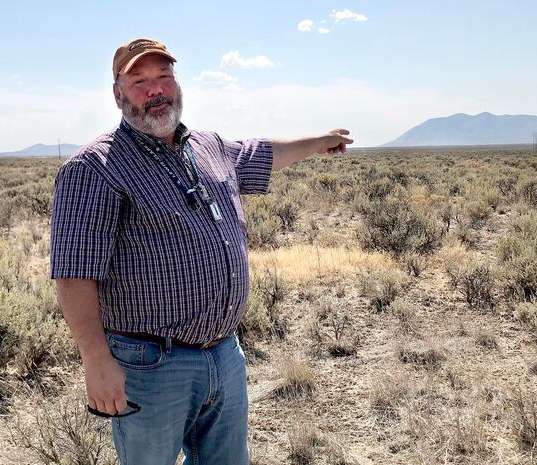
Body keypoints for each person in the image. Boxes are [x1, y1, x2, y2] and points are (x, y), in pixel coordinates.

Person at [50, 38, 353, 465]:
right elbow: (74, 274)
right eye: (139, 81)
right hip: (150, 365)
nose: (156, 90)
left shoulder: (207, 145)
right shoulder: (95, 167)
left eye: (164, 77)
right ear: (117, 94)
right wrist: (96, 361)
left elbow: (264, 153)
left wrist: (319, 141)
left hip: (224, 353)